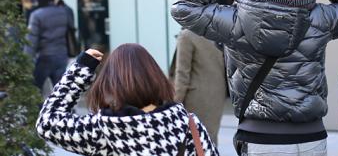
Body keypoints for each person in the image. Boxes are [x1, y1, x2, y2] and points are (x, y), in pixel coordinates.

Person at [171, 0, 338, 156]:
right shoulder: (317, 17)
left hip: (262, 137)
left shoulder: (234, 21)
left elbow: (182, 8)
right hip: (312, 135)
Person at [36, 44, 218, 156]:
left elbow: (47, 123)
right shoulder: (188, 124)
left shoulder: (103, 130)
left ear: (110, 84)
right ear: (156, 77)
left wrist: (81, 69)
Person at [175, 29, 227, 145]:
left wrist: (174, 104)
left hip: (195, 99)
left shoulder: (187, 35)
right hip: (217, 95)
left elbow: (182, 75)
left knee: (193, 143)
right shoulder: (216, 33)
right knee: (210, 141)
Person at [26, 0, 73, 92]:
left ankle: (40, 108)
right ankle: (65, 108)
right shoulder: (64, 12)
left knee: (35, 89)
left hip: (45, 57)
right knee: (61, 90)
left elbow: (31, 40)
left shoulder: (36, 15)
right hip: (62, 55)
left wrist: (26, 60)